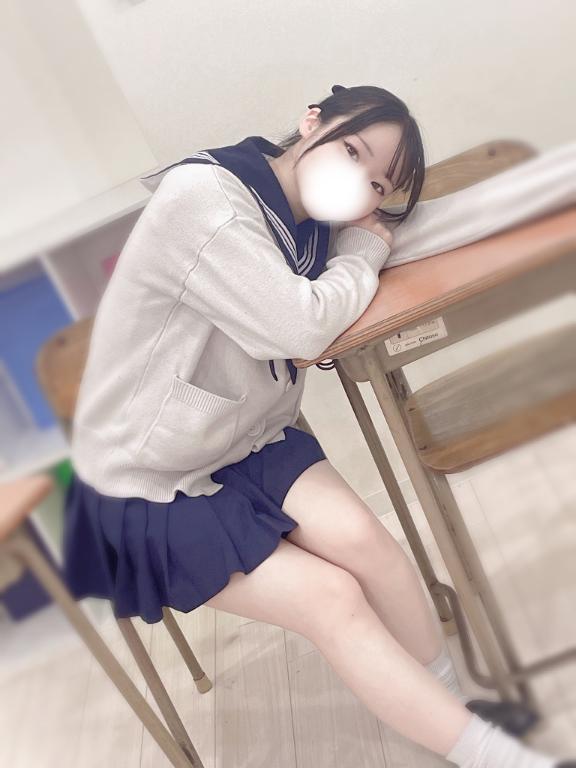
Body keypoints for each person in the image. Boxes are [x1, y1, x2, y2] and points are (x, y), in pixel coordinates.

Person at [62, 84, 575, 767]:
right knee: (332, 598)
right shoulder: (206, 201)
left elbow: (422, 230)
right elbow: (299, 325)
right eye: (352, 150)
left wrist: (555, 183)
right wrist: (359, 257)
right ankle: (497, 758)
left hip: (244, 440)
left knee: (366, 543)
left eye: (377, 183)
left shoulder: (315, 217)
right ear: (312, 121)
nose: (357, 183)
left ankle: (451, 707)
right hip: (142, 482)